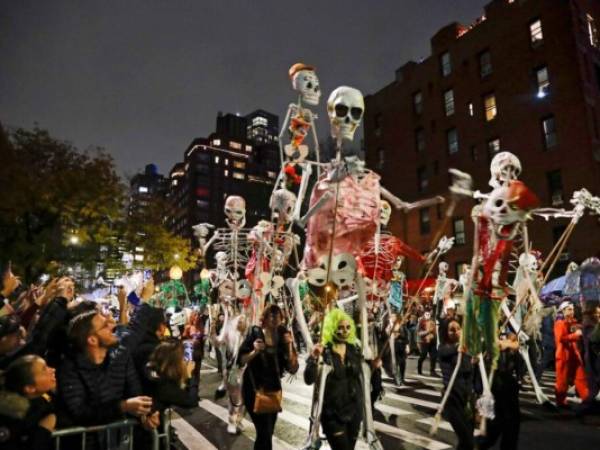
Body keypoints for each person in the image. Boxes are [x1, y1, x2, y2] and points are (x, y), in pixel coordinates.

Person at [57, 310, 159, 437]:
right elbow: (81, 413)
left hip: (120, 440)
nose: (113, 326)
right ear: (92, 340)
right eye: (105, 325)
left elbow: (135, 392)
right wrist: (123, 406)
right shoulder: (69, 369)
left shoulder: (121, 358)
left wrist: (145, 417)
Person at [238, 304, 298, 450]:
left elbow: (292, 368)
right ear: (264, 318)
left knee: (268, 432)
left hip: (273, 389)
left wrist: (289, 346)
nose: (274, 318)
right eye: (271, 315)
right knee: (264, 431)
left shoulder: (284, 335)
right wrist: (254, 351)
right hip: (253, 388)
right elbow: (240, 360)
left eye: (277, 315)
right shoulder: (255, 333)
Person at [304, 308, 364, 450]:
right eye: (340, 327)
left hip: (354, 410)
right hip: (333, 413)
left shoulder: (353, 349)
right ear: (332, 328)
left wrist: (373, 366)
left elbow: (361, 376)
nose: (345, 331)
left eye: (348, 327)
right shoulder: (324, 352)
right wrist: (313, 359)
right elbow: (309, 379)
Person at [0, 355, 57, 450]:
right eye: (44, 370)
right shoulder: (11, 418)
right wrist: (43, 431)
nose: (53, 370)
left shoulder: (42, 404)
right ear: (30, 388)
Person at [478, 333, 523, 450]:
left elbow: (518, 345)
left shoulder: (510, 342)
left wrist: (509, 344)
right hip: (495, 385)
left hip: (509, 385)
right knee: (494, 428)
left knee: (512, 427)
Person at [438, 319, 474, 450]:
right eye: (452, 329)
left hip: (467, 398)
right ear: (445, 332)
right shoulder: (443, 348)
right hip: (452, 398)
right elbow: (446, 352)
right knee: (467, 439)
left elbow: (469, 371)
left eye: (458, 328)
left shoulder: (465, 349)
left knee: (467, 440)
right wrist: (457, 349)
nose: (456, 332)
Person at [554, 301, 589, 407]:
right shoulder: (559, 323)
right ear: (563, 311)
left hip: (574, 354)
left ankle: (587, 399)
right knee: (562, 380)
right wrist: (575, 335)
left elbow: (577, 329)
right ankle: (561, 402)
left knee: (581, 377)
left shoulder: (572, 322)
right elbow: (561, 339)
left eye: (572, 309)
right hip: (563, 355)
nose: (572, 312)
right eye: (569, 309)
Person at [417, 311, 438, 376]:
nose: (428, 315)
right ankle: (419, 368)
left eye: (429, 314)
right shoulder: (421, 322)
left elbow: (435, 331)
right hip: (424, 342)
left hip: (432, 341)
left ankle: (432, 371)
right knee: (423, 355)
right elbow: (419, 333)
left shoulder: (433, 322)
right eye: (426, 314)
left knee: (434, 356)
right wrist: (428, 331)